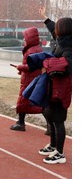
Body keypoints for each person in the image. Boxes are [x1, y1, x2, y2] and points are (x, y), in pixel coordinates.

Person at [38, 9, 71, 165]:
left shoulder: (70, 48)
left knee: (58, 120)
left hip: (61, 90)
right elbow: (53, 30)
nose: (55, 30)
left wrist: (47, 63)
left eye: (58, 27)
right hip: (52, 87)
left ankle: (60, 153)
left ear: (63, 30)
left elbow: (65, 66)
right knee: (49, 115)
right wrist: (45, 18)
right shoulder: (61, 41)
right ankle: (52, 145)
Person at [10, 27, 44, 132]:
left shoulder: (31, 51)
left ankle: (21, 123)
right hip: (33, 78)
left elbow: (30, 67)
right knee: (37, 101)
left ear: (30, 38)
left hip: (29, 79)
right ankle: (50, 127)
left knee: (23, 100)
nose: (24, 39)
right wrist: (21, 70)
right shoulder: (37, 49)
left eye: (25, 37)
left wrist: (20, 67)